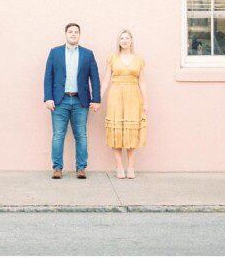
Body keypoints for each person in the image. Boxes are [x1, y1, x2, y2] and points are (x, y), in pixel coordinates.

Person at [43, 22, 101, 178]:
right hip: (59, 101)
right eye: (70, 32)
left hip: (80, 101)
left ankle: (81, 168)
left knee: (81, 135)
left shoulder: (88, 54)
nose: (73, 34)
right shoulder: (55, 53)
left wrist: (96, 99)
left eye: (76, 32)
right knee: (58, 135)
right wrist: (48, 98)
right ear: (65, 34)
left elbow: (94, 78)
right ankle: (57, 168)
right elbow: (48, 76)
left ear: (79, 35)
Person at [102, 29, 147, 178]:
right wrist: (98, 97)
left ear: (131, 41)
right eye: (122, 38)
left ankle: (131, 167)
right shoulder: (112, 58)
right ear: (119, 41)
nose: (125, 40)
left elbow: (142, 82)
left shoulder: (139, 59)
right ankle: (119, 166)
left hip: (134, 96)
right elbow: (106, 80)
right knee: (116, 131)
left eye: (127, 38)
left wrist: (145, 102)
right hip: (115, 95)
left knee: (132, 131)